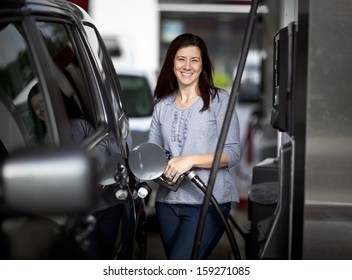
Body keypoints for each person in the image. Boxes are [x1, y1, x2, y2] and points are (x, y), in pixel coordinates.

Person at [148, 33, 240, 259]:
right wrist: (160, 170)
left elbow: (233, 153)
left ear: (203, 65)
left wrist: (189, 160)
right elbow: (153, 154)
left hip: (208, 202)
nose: (187, 66)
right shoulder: (162, 106)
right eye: (181, 59)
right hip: (167, 204)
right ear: (172, 62)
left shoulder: (219, 100)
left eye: (194, 60)